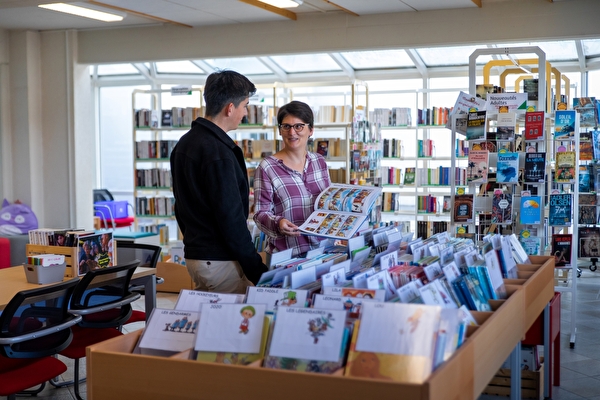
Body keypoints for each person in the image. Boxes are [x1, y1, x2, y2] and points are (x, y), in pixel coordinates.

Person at [170, 70, 268, 294]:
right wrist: (256, 269)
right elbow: (231, 218)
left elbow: (181, 206)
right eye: (245, 105)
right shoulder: (218, 152)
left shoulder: (184, 144)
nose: (245, 112)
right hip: (220, 260)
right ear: (230, 108)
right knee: (234, 325)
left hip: (197, 256)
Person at [253, 101, 331, 260]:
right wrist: (278, 223)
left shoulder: (319, 162)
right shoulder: (267, 167)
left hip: (322, 252)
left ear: (311, 130)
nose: (292, 132)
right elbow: (260, 213)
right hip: (286, 257)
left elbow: (328, 202)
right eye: (286, 126)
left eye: (299, 126)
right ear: (280, 131)